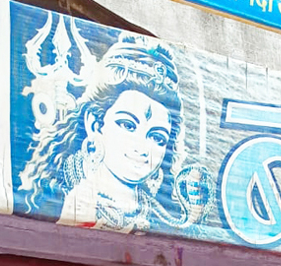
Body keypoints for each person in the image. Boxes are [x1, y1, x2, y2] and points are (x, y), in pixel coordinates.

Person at [20, 33, 209, 233]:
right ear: (94, 124)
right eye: (128, 125)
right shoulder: (66, 197)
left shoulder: (163, 217)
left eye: (157, 138)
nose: (142, 148)